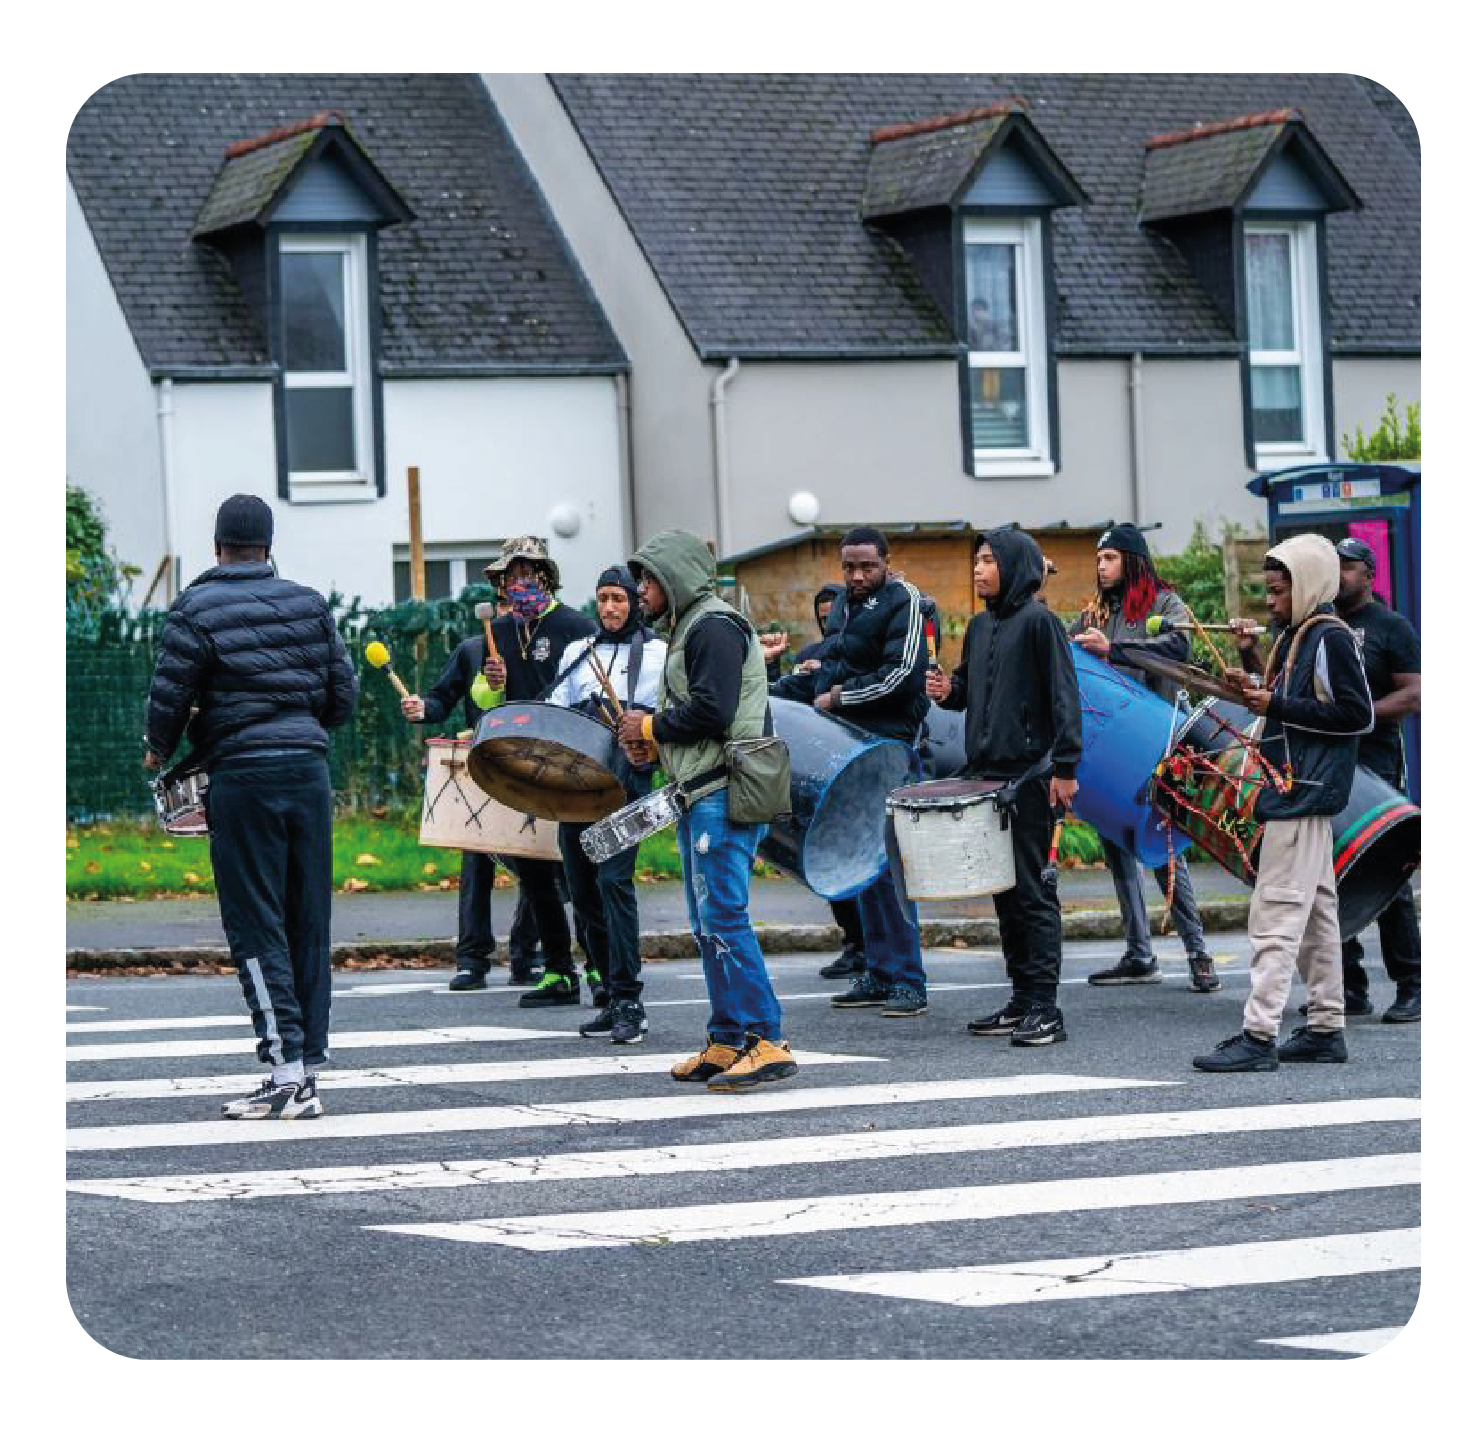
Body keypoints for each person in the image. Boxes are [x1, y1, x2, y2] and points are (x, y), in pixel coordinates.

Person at [144, 494, 357, 1119]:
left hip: (242, 776)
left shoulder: (196, 608)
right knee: (306, 918)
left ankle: (285, 1073)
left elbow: (169, 699)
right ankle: (307, 1069)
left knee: (255, 922)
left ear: (217, 548)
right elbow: (341, 699)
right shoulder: (311, 604)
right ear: (269, 547)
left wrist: (159, 750)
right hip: (308, 773)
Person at [617, 529, 796, 1091]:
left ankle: (766, 1039)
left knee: (723, 917)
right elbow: (699, 718)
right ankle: (726, 1039)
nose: (639, 590)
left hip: (722, 793)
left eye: (647, 579)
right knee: (706, 922)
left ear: (674, 578)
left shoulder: (712, 626)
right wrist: (657, 743)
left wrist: (648, 725)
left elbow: (714, 713)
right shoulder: (693, 626)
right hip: (701, 792)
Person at [1194, 534, 1373, 1072]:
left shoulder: (1328, 639)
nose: (1269, 602)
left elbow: (1356, 714)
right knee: (1318, 917)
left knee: (1274, 916)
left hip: (1301, 792)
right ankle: (1325, 1026)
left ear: (1308, 584)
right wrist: (1250, 686)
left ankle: (1258, 1033)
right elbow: (1292, 708)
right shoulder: (1299, 636)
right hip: (1305, 791)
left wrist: (1275, 702)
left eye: (1277, 591)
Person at [926, 528, 1081, 1046]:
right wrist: (948, 691)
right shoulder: (978, 626)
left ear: (1014, 566)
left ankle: (1046, 1008)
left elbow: (1064, 697)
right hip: (988, 778)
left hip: (1033, 778)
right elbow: (969, 689)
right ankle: (1021, 999)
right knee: (1006, 894)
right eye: (977, 560)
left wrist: (1065, 767)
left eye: (989, 560)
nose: (978, 569)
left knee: (1036, 893)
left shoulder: (1041, 623)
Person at [772, 529, 932, 1017]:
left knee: (888, 868)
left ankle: (908, 980)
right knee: (861, 865)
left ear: (886, 561)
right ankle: (878, 971)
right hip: (848, 750)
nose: (857, 575)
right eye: (849, 567)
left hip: (889, 748)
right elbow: (830, 669)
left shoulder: (904, 599)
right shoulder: (844, 604)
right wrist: (784, 690)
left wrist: (840, 697)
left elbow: (902, 674)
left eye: (866, 566)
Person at [1068, 524, 1219, 993]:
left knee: (1165, 851)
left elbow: (1180, 646)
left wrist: (1114, 649)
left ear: (1133, 561)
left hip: (1156, 747)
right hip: (1110, 752)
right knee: (1118, 849)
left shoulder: (1163, 604)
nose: (1101, 567)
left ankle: (1198, 953)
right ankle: (1139, 952)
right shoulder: (1095, 612)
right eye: (1098, 559)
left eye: (1110, 558)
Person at [545, 566, 667, 1044]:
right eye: (603, 599)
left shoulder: (658, 654)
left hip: (627, 783)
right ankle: (609, 995)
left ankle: (630, 1000)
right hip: (579, 785)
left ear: (634, 601)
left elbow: (669, 718)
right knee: (583, 889)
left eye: (618, 598)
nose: (610, 608)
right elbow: (555, 709)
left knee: (614, 881)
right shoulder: (581, 653)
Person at [399, 603, 533, 991]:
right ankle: (472, 958)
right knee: (477, 863)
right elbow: (443, 698)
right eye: (503, 603)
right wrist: (424, 708)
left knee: (538, 865)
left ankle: (527, 954)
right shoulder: (473, 650)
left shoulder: (538, 650)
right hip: (483, 763)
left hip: (529, 764)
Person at [1329, 536, 1421, 1022]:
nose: (1339, 574)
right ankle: (1350, 990)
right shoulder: (1320, 625)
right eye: (1333, 566)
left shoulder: (1391, 627)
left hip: (1378, 767)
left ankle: (1413, 985)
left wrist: (1356, 717)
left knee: (1390, 877)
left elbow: (1414, 695)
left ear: (1369, 573)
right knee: (1331, 875)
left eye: (1347, 566)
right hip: (1331, 767)